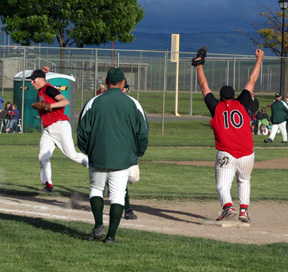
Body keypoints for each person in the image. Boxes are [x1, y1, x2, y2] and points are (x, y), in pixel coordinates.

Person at [192, 47, 264, 223]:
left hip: (226, 153)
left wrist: (199, 66)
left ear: (220, 97)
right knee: (244, 181)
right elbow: (252, 79)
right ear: (234, 96)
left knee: (223, 185)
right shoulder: (243, 102)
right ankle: (244, 212)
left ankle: (228, 207)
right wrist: (260, 58)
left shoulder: (215, 107)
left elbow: (203, 86)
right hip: (248, 153)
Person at [77, 67, 148, 244]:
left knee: (96, 190)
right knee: (117, 194)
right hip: (124, 157)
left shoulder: (93, 102)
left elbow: (82, 132)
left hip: (99, 155)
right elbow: (143, 133)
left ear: (106, 82)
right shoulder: (133, 103)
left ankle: (99, 225)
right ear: (123, 83)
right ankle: (111, 236)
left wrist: (89, 149)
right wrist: (137, 152)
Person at [26, 67, 89, 192]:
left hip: (60, 125)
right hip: (48, 129)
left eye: (33, 80)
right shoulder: (40, 92)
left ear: (40, 80)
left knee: (72, 155)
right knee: (42, 156)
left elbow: (65, 101)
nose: (31, 82)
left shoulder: (49, 89)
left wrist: (50, 106)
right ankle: (48, 185)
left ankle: (98, 168)